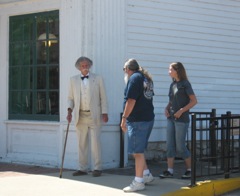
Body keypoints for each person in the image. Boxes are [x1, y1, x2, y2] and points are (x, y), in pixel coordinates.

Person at [66, 56, 108, 177]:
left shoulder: (98, 78)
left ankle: (97, 168)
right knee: (81, 143)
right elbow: (70, 98)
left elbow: (103, 97)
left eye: (87, 65)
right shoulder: (73, 80)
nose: (85, 68)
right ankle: (82, 168)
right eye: (83, 66)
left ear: (90, 66)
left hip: (94, 115)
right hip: (80, 115)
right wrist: (69, 111)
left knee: (95, 142)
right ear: (79, 67)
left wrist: (104, 113)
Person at [121, 58, 155, 192]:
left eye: (124, 70)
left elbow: (131, 100)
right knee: (139, 150)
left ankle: (138, 181)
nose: (124, 72)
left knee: (137, 152)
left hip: (137, 120)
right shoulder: (145, 78)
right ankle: (146, 175)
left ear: (128, 69)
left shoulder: (134, 78)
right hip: (148, 118)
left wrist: (124, 118)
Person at [159, 62, 197, 179]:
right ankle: (170, 171)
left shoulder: (185, 84)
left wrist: (181, 111)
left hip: (182, 119)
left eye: (170, 69)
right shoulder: (173, 85)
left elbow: (194, 101)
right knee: (170, 145)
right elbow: (171, 100)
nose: (168, 72)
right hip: (171, 118)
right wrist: (166, 108)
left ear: (177, 70)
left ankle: (190, 170)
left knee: (180, 146)